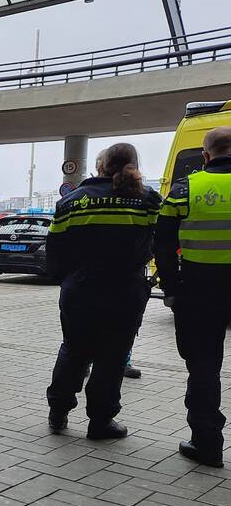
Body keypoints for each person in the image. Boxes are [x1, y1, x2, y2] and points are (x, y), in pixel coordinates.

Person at [46, 143, 161, 439]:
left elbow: (55, 253)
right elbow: (161, 243)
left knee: (73, 350)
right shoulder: (147, 200)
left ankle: (58, 412)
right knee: (112, 357)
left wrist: (68, 279)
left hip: (81, 290)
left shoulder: (72, 200)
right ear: (133, 165)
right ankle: (100, 422)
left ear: (100, 166)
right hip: (125, 291)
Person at [155, 126, 231, 467]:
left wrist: (171, 289)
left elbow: (163, 245)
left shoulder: (185, 189)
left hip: (200, 290)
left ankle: (207, 443)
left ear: (205, 155)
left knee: (203, 367)